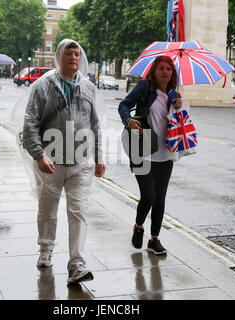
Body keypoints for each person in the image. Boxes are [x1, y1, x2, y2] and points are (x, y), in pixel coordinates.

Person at [21, 39, 105, 284]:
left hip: (81, 162)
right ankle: (46, 248)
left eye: (77, 54)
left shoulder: (89, 87)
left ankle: (76, 264)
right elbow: (29, 124)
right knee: (48, 210)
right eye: (69, 53)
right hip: (52, 160)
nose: (74, 58)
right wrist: (39, 154)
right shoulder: (42, 86)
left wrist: (99, 157)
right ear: (59, 57)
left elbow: (95, 124)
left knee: (78, 212)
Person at [118, 55, 182, 255]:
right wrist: (128, 120)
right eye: (162, 68)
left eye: (169, 69)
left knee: (160, 199)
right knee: (148, 195)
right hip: (141, 149)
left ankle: (154, 240)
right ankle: (139, 227)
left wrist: (179, 108)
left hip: (165, 152)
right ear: (154, 71)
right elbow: (124, 105)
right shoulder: (145, 87)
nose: (165, 72)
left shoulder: (173, 94)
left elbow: (178, 123)